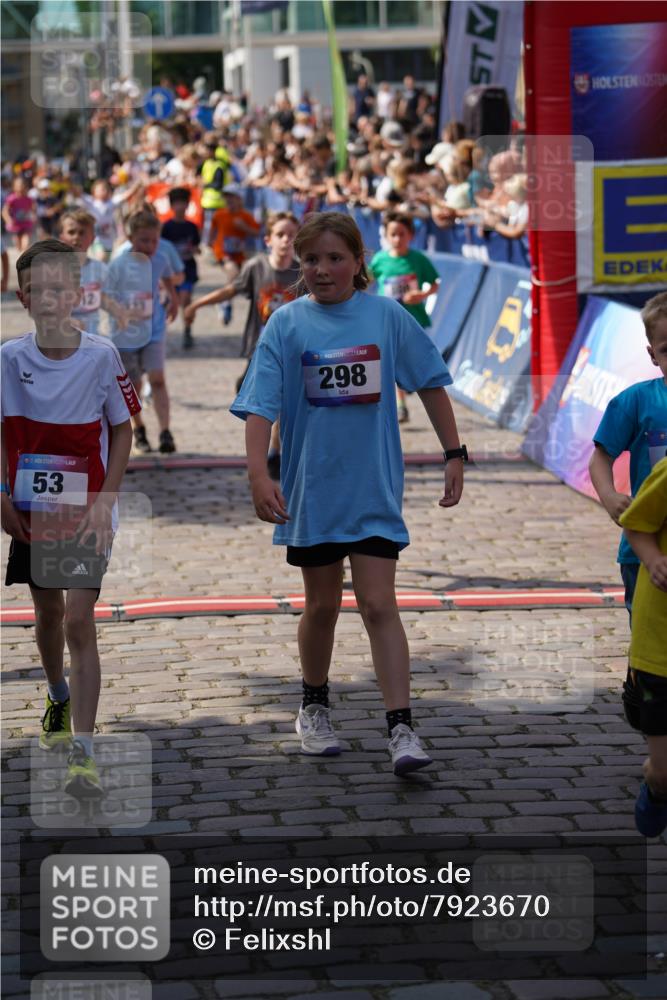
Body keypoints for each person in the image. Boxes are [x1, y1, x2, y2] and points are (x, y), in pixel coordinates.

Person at [230, 213, 466, 776]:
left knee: (380, 604)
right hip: (312, 490)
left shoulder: (386, 316)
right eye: (311, 259)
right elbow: (260, 403)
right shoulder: (285, 324)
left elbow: (429, 381)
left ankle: (401, 727)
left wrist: (453, 452)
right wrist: (259, 475)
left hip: (373, 486)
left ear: (360, 261)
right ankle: (313, 706)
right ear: (299, 265)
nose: (323, 269)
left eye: (336, 258)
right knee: (323, 605)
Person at [1, 239, 137, 798]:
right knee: (48, 616)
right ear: (23, 296)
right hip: (32, 512)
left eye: (61, 289)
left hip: (85, 512)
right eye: (39, 290)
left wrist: (106, 498)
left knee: (80, 620)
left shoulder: (101, 355)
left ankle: (84, 753)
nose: (51, 300)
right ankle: (56, 692)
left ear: (78, 294)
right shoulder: (7, 360)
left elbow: (124, 428)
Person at [184, 211, 300, 479]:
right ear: (268, 239)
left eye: (292, 236)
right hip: (260, 349)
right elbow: (230, 290)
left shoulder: (300, 272)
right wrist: (197, 304)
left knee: (282, 403)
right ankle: (263, 452)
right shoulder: (257, 267)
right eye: (281, 235)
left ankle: (275, 450)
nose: (286, 241)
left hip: (291, 351)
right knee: (261, 406)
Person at [589, 290, 667, 616]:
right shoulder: (634, 402)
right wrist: (608, 495)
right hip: (643, 548)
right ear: (653, 355)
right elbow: (600, 458)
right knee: (648, 636)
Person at [618, 458, 667, 836]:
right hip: (660, 647)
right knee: (665, 771)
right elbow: (635, 523)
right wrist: (652, 561)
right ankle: (655, 783)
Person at [105, 209, 179, 454]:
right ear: (131, 238)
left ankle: (165, 431)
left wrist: (175, 300)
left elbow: (168, 279)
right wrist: (121, 313)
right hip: (126, 334)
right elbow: (105, 296)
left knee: (158, 379)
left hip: (154, 328)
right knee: (133, 385)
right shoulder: (118, 264)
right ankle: (139, 428)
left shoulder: (160, 259)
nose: (150, 246)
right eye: (144, 240)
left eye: (154, 240)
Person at [369, 210, 440, 423]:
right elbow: (367, 280)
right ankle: (401, 405)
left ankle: (408, 383)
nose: (397, 239)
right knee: (390, 361)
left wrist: (422, 295)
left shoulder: (418, 259)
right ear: (386, 236)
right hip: (387, 321)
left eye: (402, 234)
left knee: (409, 364)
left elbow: (435, 282)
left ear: (411, 235)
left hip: (413, 319)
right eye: (393, 234)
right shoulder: (379, 260)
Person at [57, 209, 131, 338]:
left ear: (92, 238)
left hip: (91, 339)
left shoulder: (100, 269)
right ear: (62, 237)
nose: (76, 237)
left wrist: (119, 312)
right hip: (59, 341)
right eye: (71, 232)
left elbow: (102, 298)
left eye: (82, 233)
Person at [208, 183, 260, 328]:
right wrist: (210, 243)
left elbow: (257, 233)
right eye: (226, 197)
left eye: (231, 197)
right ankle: (225, 303)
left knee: (237, 280)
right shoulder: (219, 214)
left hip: (239, 254)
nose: (228, 200)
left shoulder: (245, 216)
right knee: (233, 272)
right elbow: (213, 230)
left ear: (239, 199)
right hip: (223, 252)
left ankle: (223, 301)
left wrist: (244, 227)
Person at [160, 188, 201, 349]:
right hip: (169, 272)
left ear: (188, 205)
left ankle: (187, 330)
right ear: (171, 206)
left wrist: (194, 250)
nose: (180, 206)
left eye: (183, 203)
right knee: (166, 301)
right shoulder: (166, 227)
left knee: (186, 299)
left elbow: (197, 246)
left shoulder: (192, 226)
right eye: (176, 203)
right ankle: (161, 332)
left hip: (188, 270)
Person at [2, 176, 35, 252]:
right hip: (15, 225)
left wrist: (33, 216)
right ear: (14, 187)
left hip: (26, 223)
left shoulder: (29, 199)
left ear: (26, 187)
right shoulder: (12, 198)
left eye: (23, 186)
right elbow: (4, 211)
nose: (21, 188)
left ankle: (24, 254)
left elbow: (33, 209)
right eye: (19, 186)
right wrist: (8, 220)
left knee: (25, 245)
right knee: (18, 246)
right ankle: (21, 252)